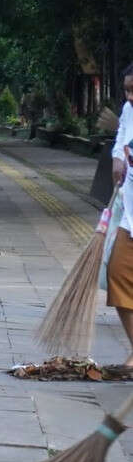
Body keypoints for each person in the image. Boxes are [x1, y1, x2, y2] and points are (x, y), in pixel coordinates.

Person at [104, 64, 133, 367]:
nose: (130, 96)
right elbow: (122, 137)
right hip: (130, 214)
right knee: (118, 275)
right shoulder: (129, 109)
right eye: (127, 89)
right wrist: (116, 158)